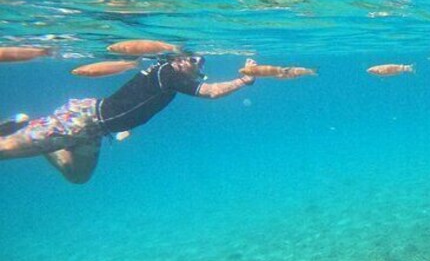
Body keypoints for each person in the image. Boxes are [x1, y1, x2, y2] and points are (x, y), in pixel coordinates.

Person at [0, 53, 255, 184]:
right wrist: (244, 80)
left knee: (78, 176)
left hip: (95, 128)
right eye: (194, 60)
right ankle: (33, 130)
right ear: (177, 60)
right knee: (5, 150)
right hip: (82, 120)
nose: (199, 65)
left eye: (201, 62)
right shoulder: (168, 72)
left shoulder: (169, 75)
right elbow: (210, 93)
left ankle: (32, 126)